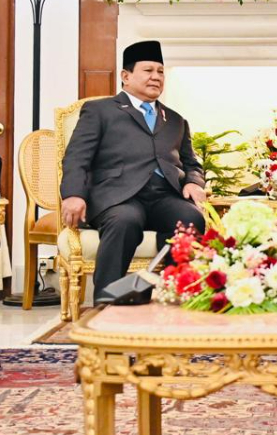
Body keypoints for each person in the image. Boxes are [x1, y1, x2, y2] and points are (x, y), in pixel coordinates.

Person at [59, 40, 207, 296]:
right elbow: (76, 157)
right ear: (126, 76)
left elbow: (191, 162)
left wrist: (194, 181)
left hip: (163, 196)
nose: (156, 77)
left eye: (160, 72)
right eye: (148, 70)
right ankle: (107, 301)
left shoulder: (175, 120)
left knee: (191, 218)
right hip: (118, 197)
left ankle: (171, 294)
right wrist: (73, 194)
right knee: (125, 221)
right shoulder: (99, 110)